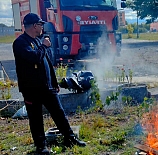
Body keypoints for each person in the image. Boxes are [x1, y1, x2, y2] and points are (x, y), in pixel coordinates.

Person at [12, 13, 86, 155]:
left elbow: (47, 64)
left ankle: (70, 138)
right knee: (36, 118)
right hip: (31, 89)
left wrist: (53, 82)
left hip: (47, 87)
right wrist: (45, 46)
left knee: (59, 113)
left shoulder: (38, 40)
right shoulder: (21, 43)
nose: (42, 27)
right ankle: (41, 147)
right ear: (34, 26)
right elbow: (34, 58)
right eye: (40, 25)